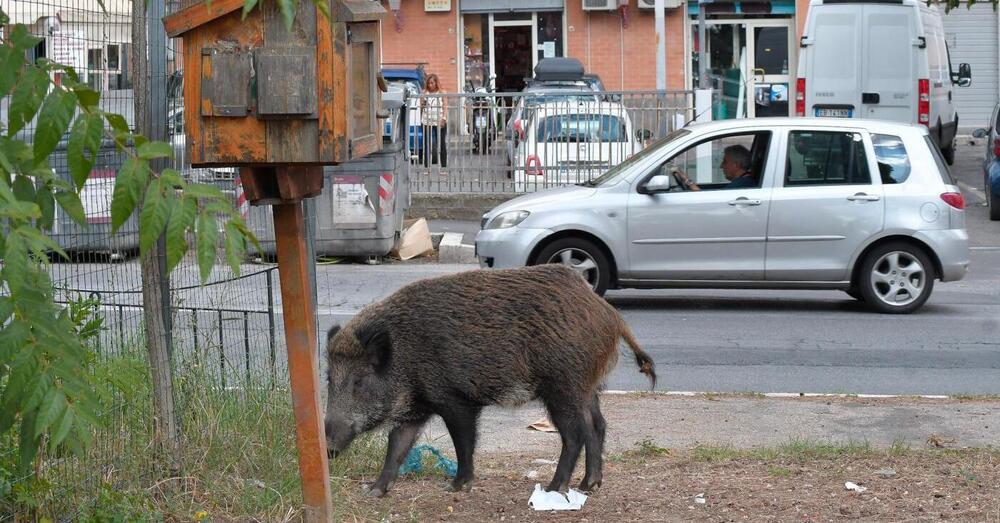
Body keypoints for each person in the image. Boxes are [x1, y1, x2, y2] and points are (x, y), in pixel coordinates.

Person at [674, 144, 756, 191]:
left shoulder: (741, 184)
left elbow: (705, 200)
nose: (721, 166)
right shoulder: (744, 181)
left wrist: (687, 180)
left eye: (725, 162)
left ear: (736, 164)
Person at [420, 73, 448, 173]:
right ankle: (427, 168)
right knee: (427, 144)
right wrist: (422, 103)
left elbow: (445, 106)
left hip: (439, 121)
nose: (430, 85)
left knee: (441, 144)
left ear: (436, 83)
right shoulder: (424, 92)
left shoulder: (442, 92)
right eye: (428, 83)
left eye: (432, 83)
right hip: (426, 121)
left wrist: (444, 118)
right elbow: (421, 106)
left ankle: (444, 168)